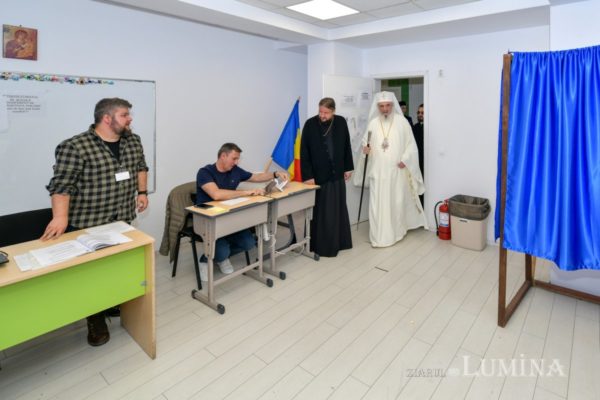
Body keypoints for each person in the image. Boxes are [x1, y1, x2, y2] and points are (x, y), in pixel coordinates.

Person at [42, 97, 149, 346]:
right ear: (107, 118)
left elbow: (141, 166)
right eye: (124, 115)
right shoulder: (75, 146)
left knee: (116, 267)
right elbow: (61, 186)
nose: (130, 119)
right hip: (88, 223)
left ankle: (110, 302)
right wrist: (60, 217)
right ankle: (95, 318)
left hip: (122, 220)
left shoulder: (133, 140)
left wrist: (142, 192)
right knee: (90, 276)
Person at [196, 143, 288, 280]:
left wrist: (275, 174)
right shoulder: (205, 172)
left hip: (229, 217)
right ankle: (206, 259)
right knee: (223, 251)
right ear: (223, 156)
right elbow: (216, 194)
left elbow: (255, 177)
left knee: (249, 243)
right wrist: (246, 192)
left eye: (238, 159)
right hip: (209, 220)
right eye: (234, 158)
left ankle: (221, 256)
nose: (236, 162)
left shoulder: (235, 170)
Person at [353, 91, 427, 247]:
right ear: (377, 107)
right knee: (376, 206)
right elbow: (366, 143)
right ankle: (378, 237)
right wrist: (366, 149)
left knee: (395, 203)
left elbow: (411, 145)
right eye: (381, 106)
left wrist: (405, 159)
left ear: (392, 105)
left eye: (387, 105)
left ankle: (396, 233)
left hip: (396, 173)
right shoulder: (373, 123)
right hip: (378, 173)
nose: (385, 109)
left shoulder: (402, 122)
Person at [300, 97, 354, 257]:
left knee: (338, 209)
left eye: (326, 113)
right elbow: (304, 152)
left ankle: (340, 242)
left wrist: (348, 167)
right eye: (320, 112)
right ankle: (321, 245)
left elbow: (347, 145)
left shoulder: (341, 122)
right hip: (319, 176)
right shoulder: (310, 124)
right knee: (322, 212)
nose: (322, 115)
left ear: (333, 111)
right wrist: (308, 176)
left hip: (337, 174)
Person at [412, 104, 425, 206]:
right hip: (416, 163)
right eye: (418, 112)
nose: (420, 114)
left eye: (422, 113)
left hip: (426, 163)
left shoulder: (429, 127)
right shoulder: (414, 127)